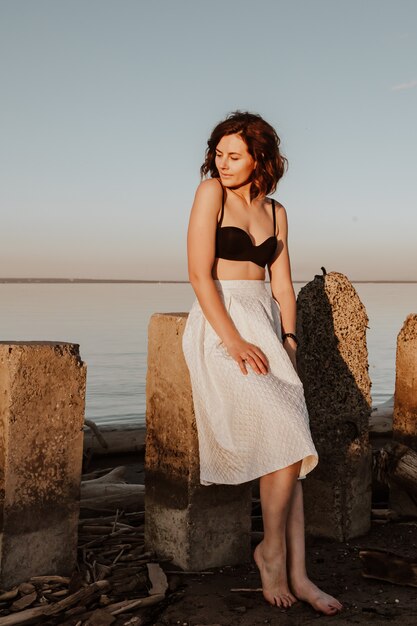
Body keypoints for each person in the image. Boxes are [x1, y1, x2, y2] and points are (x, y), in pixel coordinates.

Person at [182, 111, 343, 615]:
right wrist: (231, 342)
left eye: (234, 155)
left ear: (260, 159)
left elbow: (281, 284)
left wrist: (289, 340)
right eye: (218, 153)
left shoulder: (277, 212)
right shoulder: (211, 194)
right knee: (284, 432)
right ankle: (271, 553)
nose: (221, 163)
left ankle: (298, 573)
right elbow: (198, 275)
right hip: (220, 323)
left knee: (291, 440)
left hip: (266, 328)